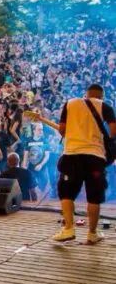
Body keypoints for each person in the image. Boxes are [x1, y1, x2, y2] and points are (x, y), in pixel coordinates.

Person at [53, 84, 116, 243]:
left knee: (66, 193)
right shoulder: (105, 106)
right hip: (95, 156)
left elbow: (62, 130)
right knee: (94, 196)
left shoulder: (71, 103)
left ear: (86, 94)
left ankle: (68, 229)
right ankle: (92, 234)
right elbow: (113, 132)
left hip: (71, 154)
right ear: (101, 96)